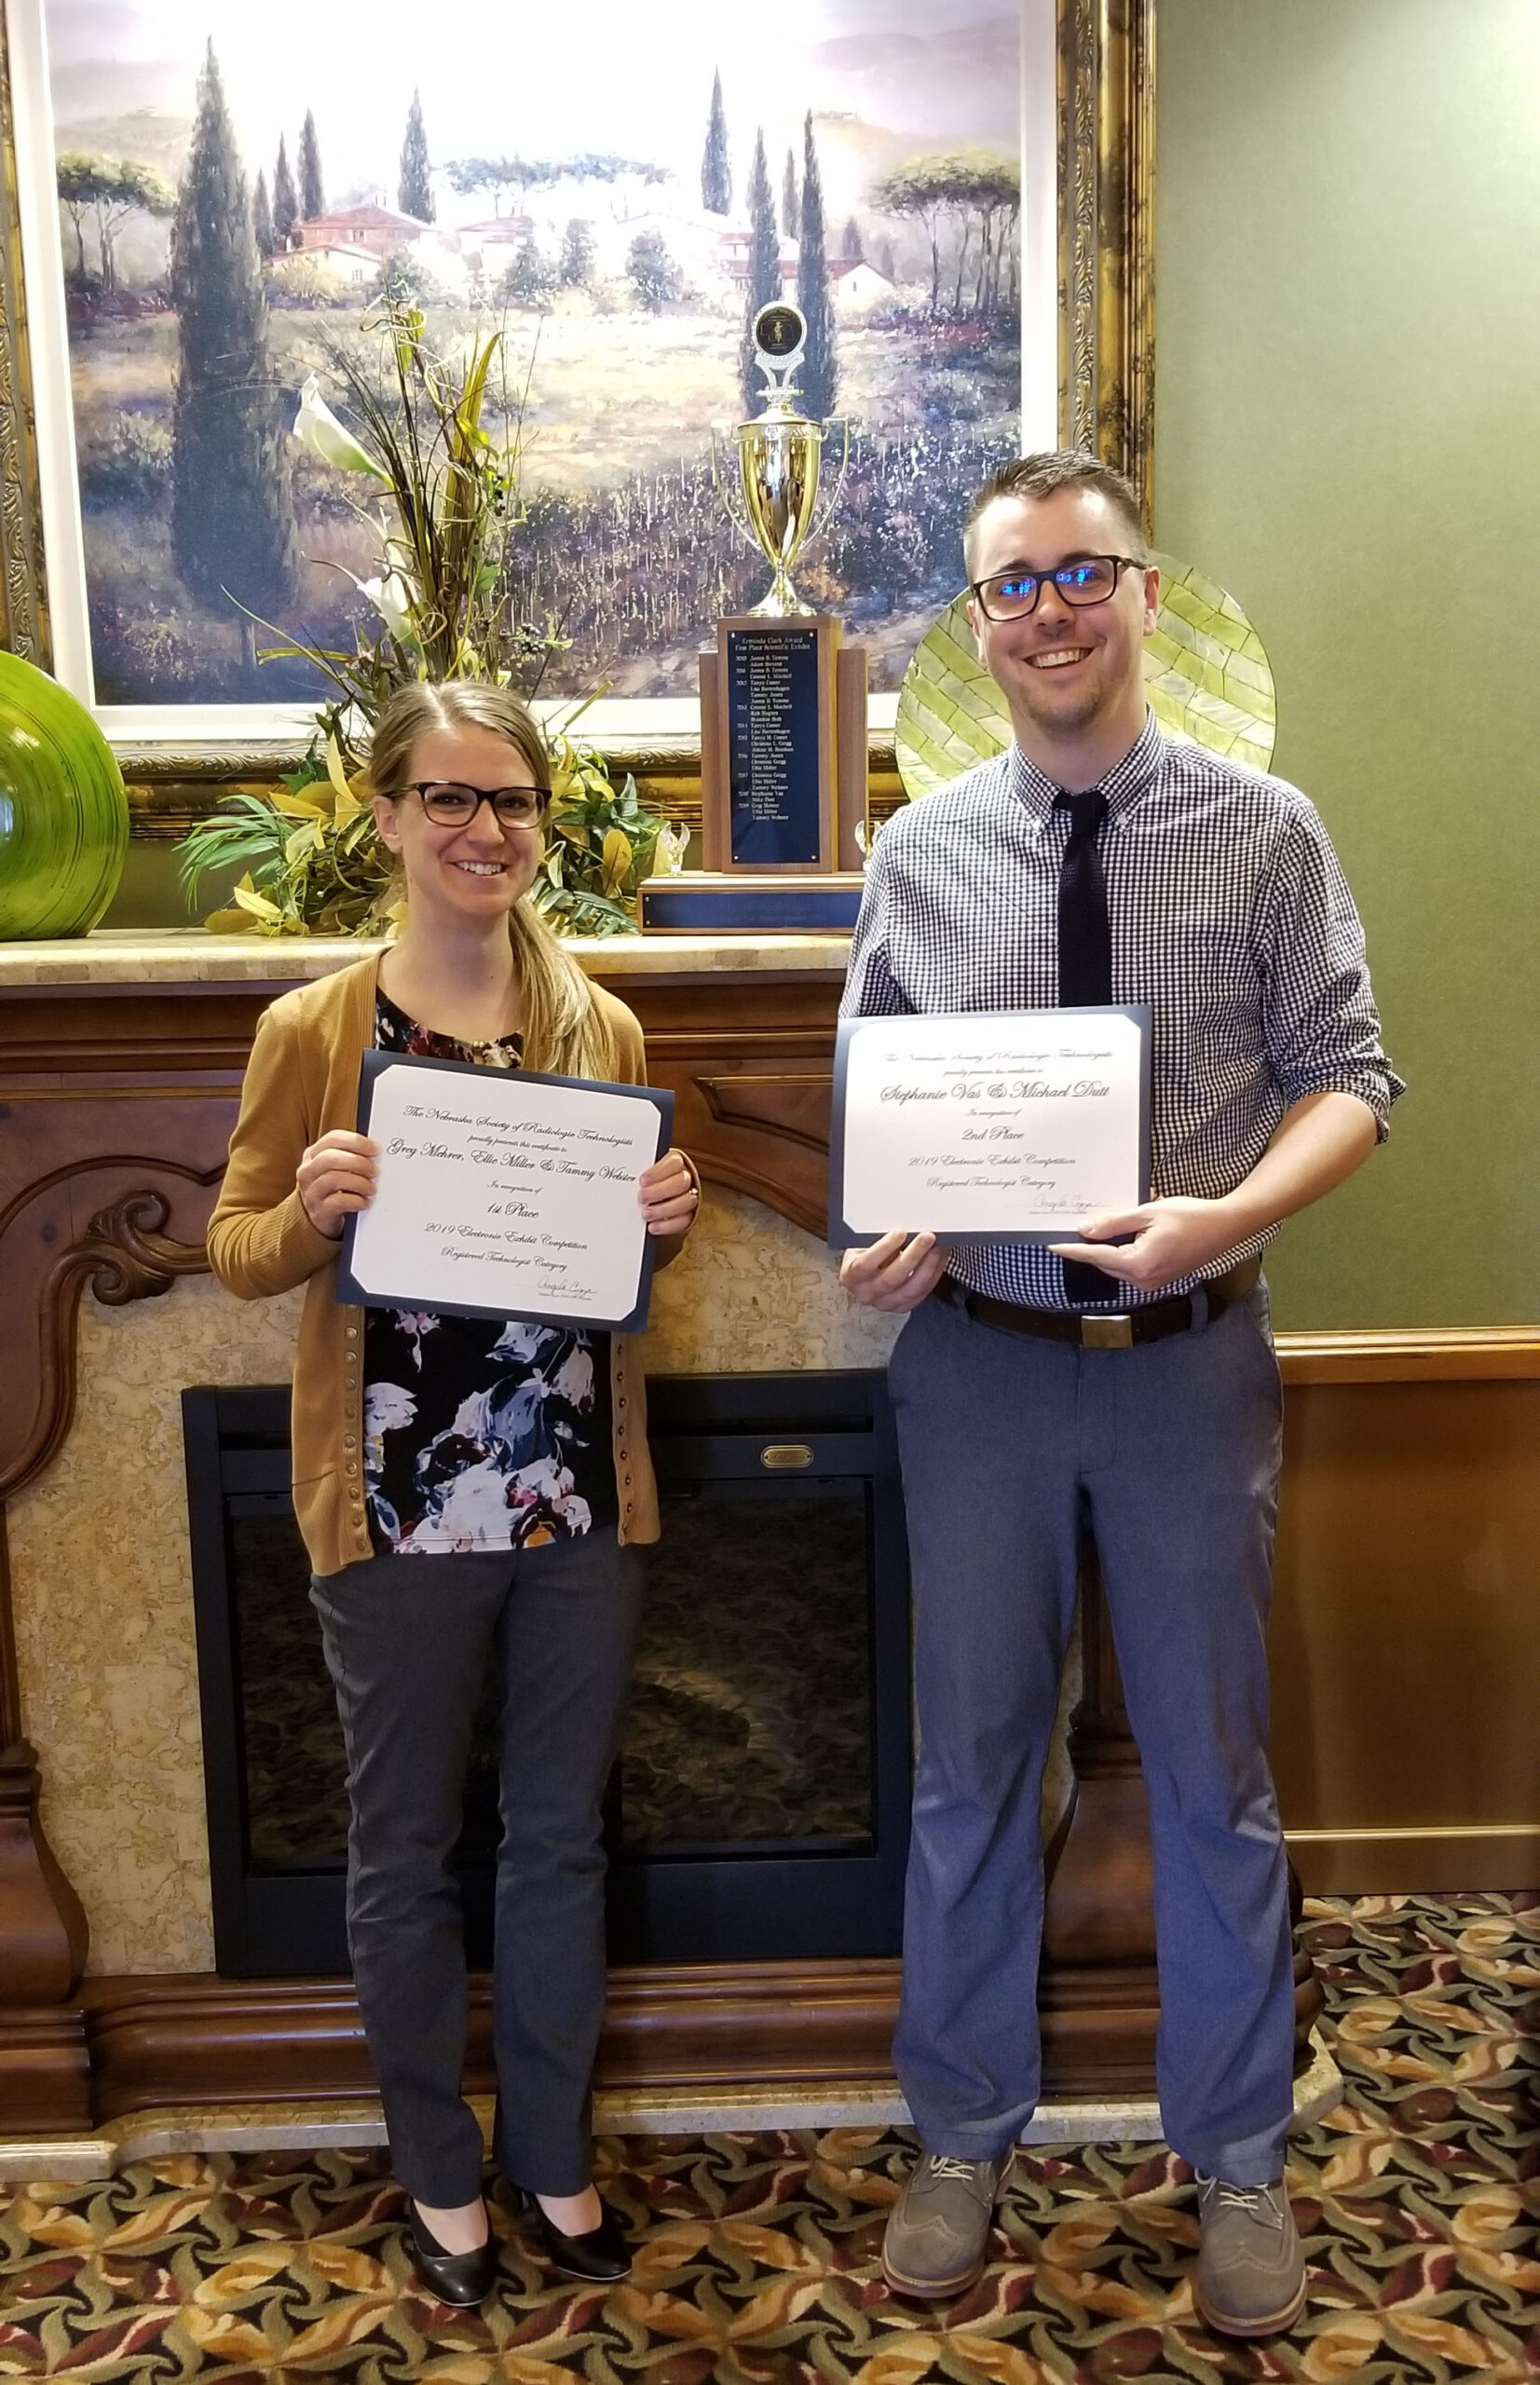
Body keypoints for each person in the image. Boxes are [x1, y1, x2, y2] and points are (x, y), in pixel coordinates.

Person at [839, 452, 1401, 2337]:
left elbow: (1352, 1075)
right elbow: (877, 1111)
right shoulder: (913, 856)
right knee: (966, 1768)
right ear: (978, 627)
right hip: (976, 1376)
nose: (1052, 612)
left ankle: (1237, 2153)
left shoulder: (1265, 834)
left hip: (1186, 1369)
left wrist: (1221, 1217)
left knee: (1213, 1776)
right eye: (1015, 586)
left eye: (1083, 574)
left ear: (1143, 594)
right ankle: (958, 2125)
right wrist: (882, 1235)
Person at [207, 680, 700, 2306]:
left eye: (512, 803)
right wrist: (312, 1211)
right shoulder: (315, 1030)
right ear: (387, 814)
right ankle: (438, 2174)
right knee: (403, 1845)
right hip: (394, 1507)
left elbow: (616, 1263)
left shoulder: (599, 1026)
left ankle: (551, 2157)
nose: (484, 832)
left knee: (557, 1841)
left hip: (572, 1502)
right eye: (449, 800)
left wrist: (664, 1218)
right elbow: (233, 1252)